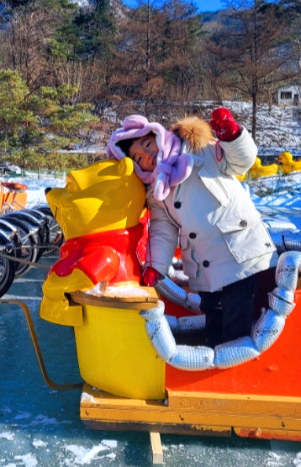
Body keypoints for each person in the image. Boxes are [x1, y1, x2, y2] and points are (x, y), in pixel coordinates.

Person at [106, 108, 278, 347]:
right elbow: (162, 230)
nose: (146, 156)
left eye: (147, 144)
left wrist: (232, 136)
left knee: (237, 316)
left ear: (159, 135)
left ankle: (233, 371)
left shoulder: (199, 148)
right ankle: (213, 363)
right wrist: (156, 266)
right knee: (213, 315)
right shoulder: (157, 191)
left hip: (237, 252)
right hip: (203, 266)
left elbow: (241, 162)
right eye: (137, 158)